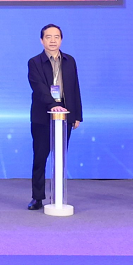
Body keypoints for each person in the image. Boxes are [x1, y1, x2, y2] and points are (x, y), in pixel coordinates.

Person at [27, 24, 82, 210]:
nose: (52, 40)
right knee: (40, 158)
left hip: (65, 117)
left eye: (56, 37)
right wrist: (53, 105)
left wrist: (77, 114)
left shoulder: (70, 61)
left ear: (61, 39)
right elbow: (39, 88)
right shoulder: (34, 62)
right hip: (42, 117)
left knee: (60, 158)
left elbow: (75, 88)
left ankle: (58, 195)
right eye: (48, 37)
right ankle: (37, 197)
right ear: (41, 40)